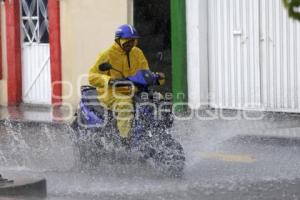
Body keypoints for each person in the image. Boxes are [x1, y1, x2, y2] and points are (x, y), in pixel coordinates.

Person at [88, 24, 164, 142]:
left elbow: (145, 71)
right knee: (125, 104)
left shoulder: (137, 52)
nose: (130, 43)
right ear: (118, 40)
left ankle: (161, 131)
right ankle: (125, 139)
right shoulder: (107, 55)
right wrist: (109, 80)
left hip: (134, 89)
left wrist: (155, 77)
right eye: (127, 41)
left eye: (133, 40)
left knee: (158, 99)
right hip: (111, 92)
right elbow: (92, 76)